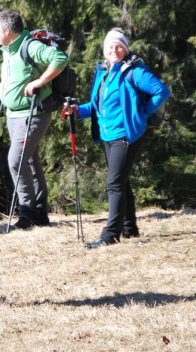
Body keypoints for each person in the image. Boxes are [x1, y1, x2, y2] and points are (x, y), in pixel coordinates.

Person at [64, 28, 170, 248]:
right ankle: (129, 228)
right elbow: (98, 104)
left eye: (119, 45)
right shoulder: (103, 71)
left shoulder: (134, 71)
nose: (115, 49)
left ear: (126, 48)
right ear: (105, 50)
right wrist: (78, 110)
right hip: (107, 134)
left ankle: (110, 234)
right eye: (110, 46)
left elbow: (161, 91)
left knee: (114, 183)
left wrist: (141, 113)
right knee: (122, 180)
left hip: (126, 134)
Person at [0, 9, 70, 228]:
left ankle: (27, 213)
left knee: (16, 160)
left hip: (33, 114)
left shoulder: (30, 46)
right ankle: (40, 213)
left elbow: (59, 58)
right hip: (14, 115)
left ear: (7, 30)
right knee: (30, 161)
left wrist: (38, 83)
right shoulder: (7, 50)